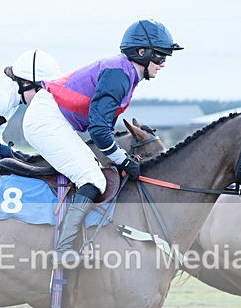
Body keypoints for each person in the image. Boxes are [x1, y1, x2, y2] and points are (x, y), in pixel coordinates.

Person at [22, 19, 183, 267]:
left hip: (53, 118)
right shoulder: (119, 75)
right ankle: (63, 251)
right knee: (93, 179)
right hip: (46, 119)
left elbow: (103, 128)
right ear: (142, 52)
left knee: (95, 172)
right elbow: (98, 130)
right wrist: (123, 160)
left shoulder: (125, 73)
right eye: (160, 56)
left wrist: (123, 158)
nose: (163, 63)